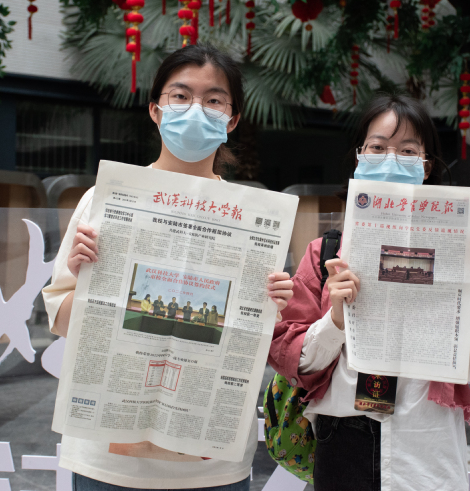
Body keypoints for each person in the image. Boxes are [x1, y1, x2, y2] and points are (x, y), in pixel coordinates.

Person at [42, 43, 295, 491]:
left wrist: (276, 303)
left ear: (231, 120)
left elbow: (258, 341)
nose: (195, 109)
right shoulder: (105, 201)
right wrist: (86, 280)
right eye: (180, 95)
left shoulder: (255, 219)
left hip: (210, 466)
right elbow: (61, 322)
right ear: (156, 109)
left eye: (213, 100)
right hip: (107, 461)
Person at [267, 94, 470, 491]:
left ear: (426, 166)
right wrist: (336, 320)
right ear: (359, 157)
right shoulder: (325, 252)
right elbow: (293, 359)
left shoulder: (464, 250)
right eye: (377, 148)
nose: (390, 160)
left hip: (428, 440)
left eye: (408, 151)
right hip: (343, 435)